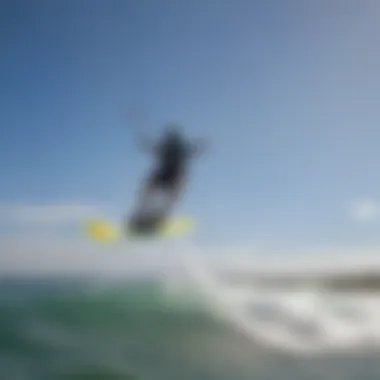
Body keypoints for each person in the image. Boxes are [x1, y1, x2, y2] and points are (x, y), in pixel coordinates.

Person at [132, 123, 208, 221]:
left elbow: (194, 150)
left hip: (174, 176)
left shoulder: (180, 148)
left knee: (172, 189)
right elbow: (152, 147)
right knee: (151, 184)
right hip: (166, 174)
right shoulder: (166, 147)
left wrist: (201, 146)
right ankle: (143, 210)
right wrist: (144, 142)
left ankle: (163, 213)